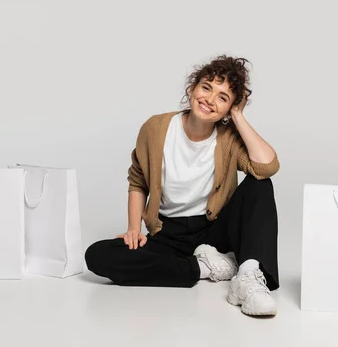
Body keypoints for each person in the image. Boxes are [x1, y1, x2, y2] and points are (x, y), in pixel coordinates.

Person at [85, 55, 280, 316]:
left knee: (260, 185)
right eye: (206, 87)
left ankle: (248, 275)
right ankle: (203, 268)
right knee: (98, 255)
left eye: (223, 98)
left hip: (214, 234)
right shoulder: (156, 128)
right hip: (167, 234)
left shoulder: (228, 138)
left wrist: (238, 117)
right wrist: (134, 228)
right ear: (192, 88)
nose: (210, 100)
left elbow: (267, 166)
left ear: (228, 109)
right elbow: (138, 180)